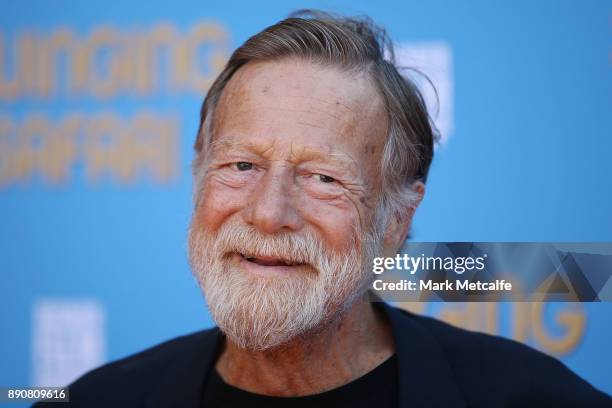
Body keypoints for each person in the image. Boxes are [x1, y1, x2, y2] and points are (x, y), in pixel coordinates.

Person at [35, 10, 610, 408]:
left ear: (396, 220)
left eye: (323, 177)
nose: (267, 213)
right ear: (197, 179)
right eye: (241, 166)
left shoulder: (529, 396)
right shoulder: (97, 398)